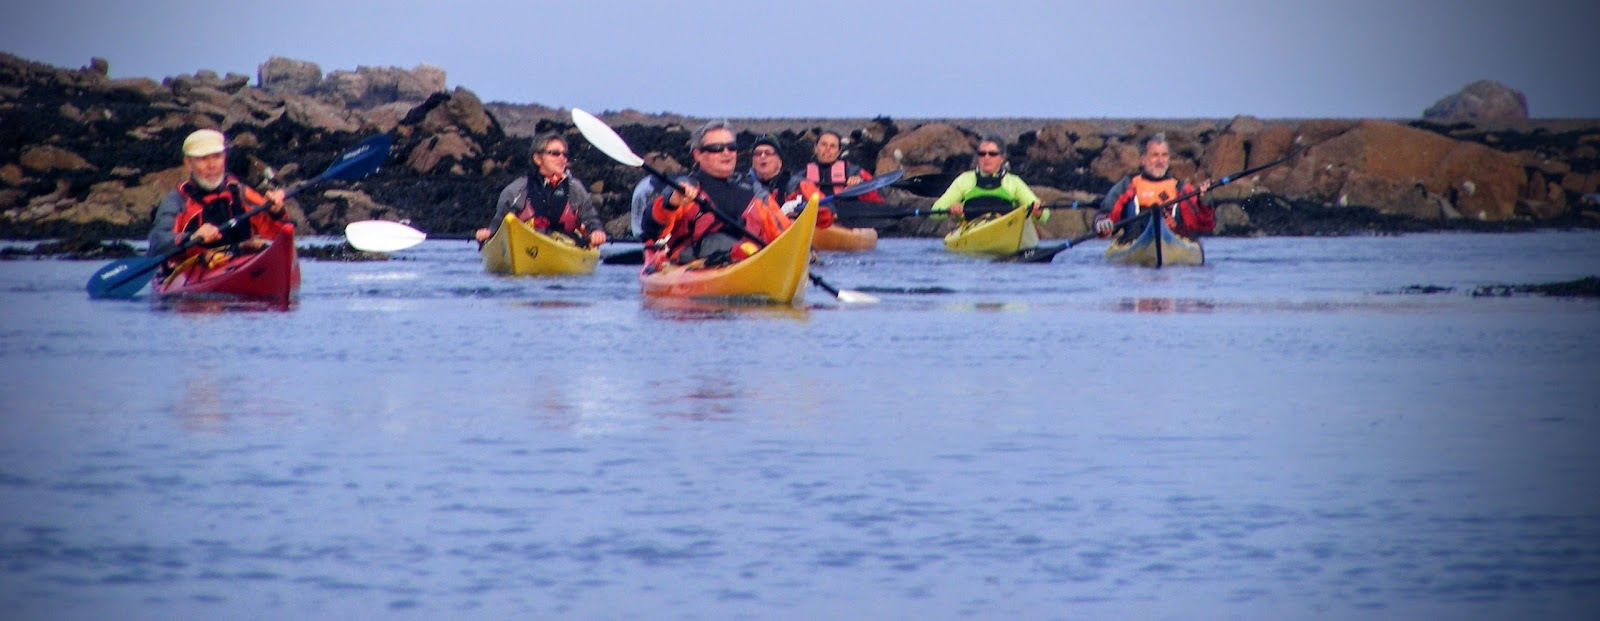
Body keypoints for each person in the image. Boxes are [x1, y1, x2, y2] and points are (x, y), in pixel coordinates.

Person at [645, 120, 790, 266]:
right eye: (716, 148)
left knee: (748, 249)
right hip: (693, 267)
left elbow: (784, 236)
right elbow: (653, 231)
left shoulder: (754, 192)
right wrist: (671, 204)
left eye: (731, 147)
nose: (726, 153)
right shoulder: (686, 189)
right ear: (697, 155)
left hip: (748, 261)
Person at [147, 129, 289, 270]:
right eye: (203, 159)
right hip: (194, 269)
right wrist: (192, 237)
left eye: (217, 156)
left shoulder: (241, 193)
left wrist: (277, 212)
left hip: (242, 263)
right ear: (188, 164)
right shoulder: (177, 201)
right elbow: (158, 242)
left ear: (224, 158)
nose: (212, 165)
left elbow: (281, 234)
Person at [475, 132, 607, 247]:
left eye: (565, 154)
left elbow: (591, 220)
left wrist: (596, 233)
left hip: (565, 245)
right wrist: (488, 234)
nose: (562, 158)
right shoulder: (515, 190)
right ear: (537, 159)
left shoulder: (576, 190)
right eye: (555, 153)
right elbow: (498, 224)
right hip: (525, 246)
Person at [1094, 133, 1214, 238]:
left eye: (1164, 155)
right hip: (1135, 243)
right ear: (1142, 160)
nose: (1160, 161)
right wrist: (1102, 222)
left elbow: (1204, 226)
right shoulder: (1128, 185)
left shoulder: (1181, 188)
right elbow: (1106, 213)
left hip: (1173, 244)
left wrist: (1204, 201)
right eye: (1155, 155)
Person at [930, 136, 1043, 220]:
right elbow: (934, 212)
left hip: (1005, 229)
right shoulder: (964, 180)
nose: (986, 158)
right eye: (982, 154)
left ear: (1002, 158)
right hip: (970, 230)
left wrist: (1038, 212)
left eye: (992, 154)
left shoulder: (1013, 182)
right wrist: (950, 209)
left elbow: (1045, 216)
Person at [744, 135, 833, 229]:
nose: (762, 156)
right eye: (757, 153)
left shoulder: (798, 185)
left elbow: (827, 215)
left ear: (779, 161)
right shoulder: (744, 186)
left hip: (789, 236)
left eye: (768, 153)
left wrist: (803, 212)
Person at [803, 130, 885, 203]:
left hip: (845, 217)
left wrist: (858, 188)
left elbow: (878, 201)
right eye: (824, 145)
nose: (827, 149)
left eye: (833, 146)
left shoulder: (856, 172)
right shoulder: (802, 176)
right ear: (815, 148)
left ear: (839, 151)